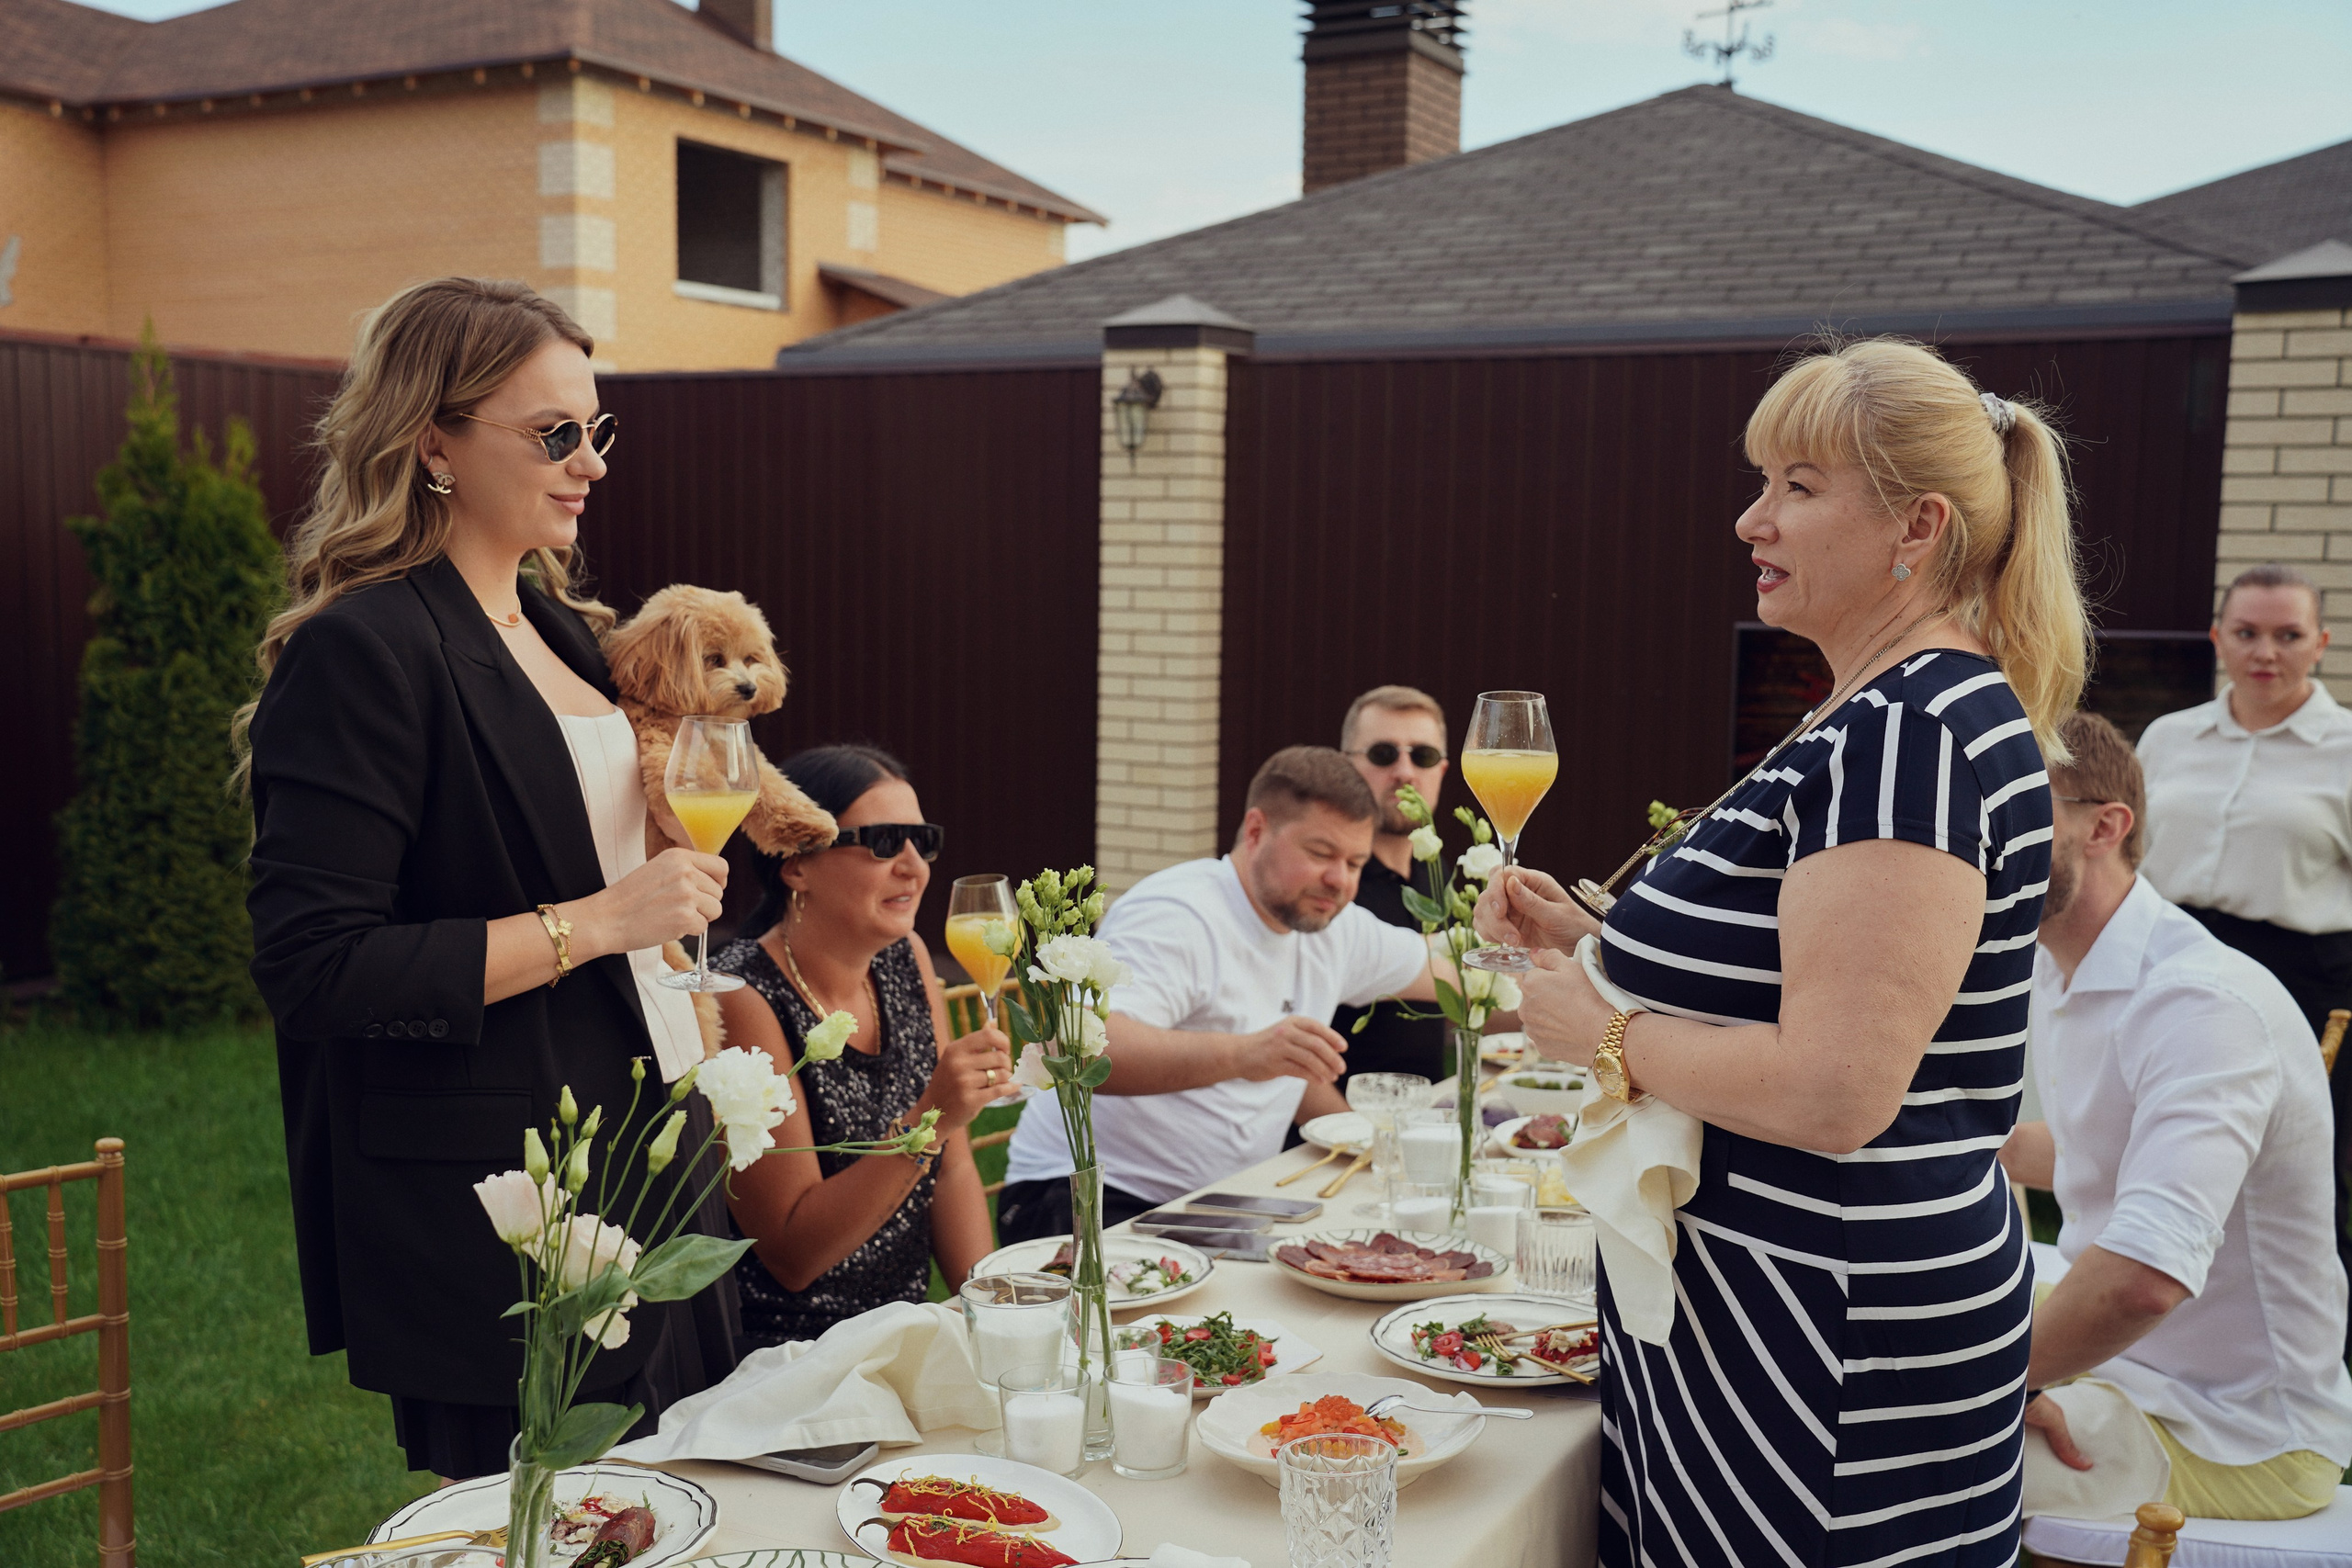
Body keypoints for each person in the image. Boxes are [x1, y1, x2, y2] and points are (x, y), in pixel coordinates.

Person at [1478, 340, 2087, 1566]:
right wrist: (1595, 941)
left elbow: (1835, 1089)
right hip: (1777, 1305)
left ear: (1916, 527)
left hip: (1821, 1327)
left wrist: (1601, 1032)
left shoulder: (1906, 735)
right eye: (1763, 482)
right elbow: (1797, 974)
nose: (1750, 519)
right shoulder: (1882, 711)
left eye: (1797, 487)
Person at [243, 277, 741, 1479]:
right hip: (515, 1201)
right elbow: (318, 966)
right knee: (563, 1530)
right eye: (554, 432)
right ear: (435, 442)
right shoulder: (363, 648)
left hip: (656, 1145)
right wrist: (600, 920)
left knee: (693, 1507)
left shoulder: (560, 626)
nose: (590, 463)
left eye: (596, 429)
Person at [1999, 711, 2351, 1521]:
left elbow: (2144, 1280)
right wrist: (1966, 1150)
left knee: (1896, 1455)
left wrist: (1996, 1382)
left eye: (2015, 808)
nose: (1980, 839)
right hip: (2123, 1368)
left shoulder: (2199, 1002)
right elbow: (2099, 1151)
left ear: (2105, 827)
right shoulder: (2057, 965)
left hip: (2234, 1430)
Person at [995, 747, 1438, 1241]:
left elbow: (1450, 972)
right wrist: (1246, 1054)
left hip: (1220, 1204)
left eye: (1356, 862)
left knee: (1388, 1247)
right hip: (1089, 1196)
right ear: (1256, 830)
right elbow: (1079, 1048)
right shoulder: (1180, 914)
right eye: (1320, 854)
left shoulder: (1332, 924)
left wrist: (1509, 934)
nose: (1340, 880)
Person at [710, 745, 1010, 1344]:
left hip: (905, 1333)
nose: (914, 866)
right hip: (796, 1354)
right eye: (883, 842)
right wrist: (929, 1119)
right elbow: (791, 1254)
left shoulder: (905, 958)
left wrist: (992, 1317)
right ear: (796, 864)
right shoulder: (741, 997)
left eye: (922, 840)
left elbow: (952, 1168)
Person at [2137, 560, 2352, 1333]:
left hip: (2304, 979)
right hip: (2178, 963)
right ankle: (2163, 1322)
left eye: (2288, 635)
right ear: (2217, 637)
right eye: (2247, 632)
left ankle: (2310, 1341)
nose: (2266, 651)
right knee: (2167, 1143)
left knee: (2296, 1167)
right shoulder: (2169, 737)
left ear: (2320, 643)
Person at [1333, 684, 1454, 1087]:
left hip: (1428, 1114)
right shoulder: (1328, 882)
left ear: (1441, 771)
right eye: (1383, 754)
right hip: (1338, 1122)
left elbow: (1464, 1003)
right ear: (1346, 766)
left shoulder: (1437, 871)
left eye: (1423, 756)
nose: (1404, 772)